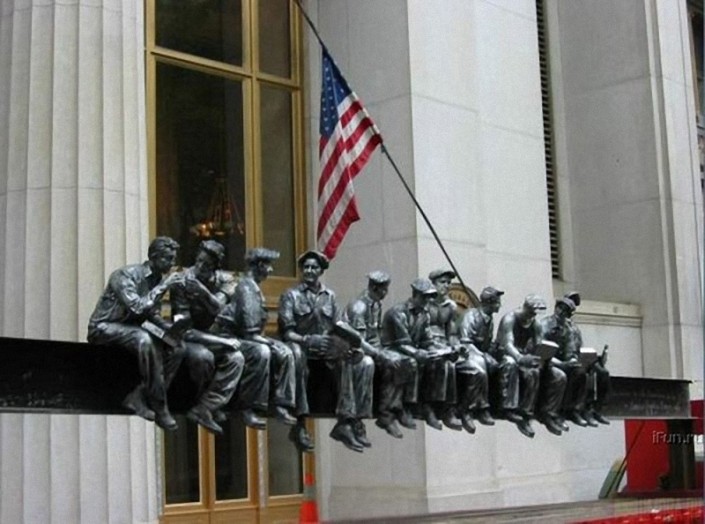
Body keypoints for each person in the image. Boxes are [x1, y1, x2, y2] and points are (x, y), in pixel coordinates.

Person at [279, 250, 374, 453]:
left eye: (314, 267)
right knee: (296, 357)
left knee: (350, 358)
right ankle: (299, 424)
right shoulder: (291, 295)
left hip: (326, 350)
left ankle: (347, 422)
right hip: (303, 347)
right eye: (306, 267)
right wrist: (307, 339)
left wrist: (348, 345)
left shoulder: (329, 296)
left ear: (321, 271)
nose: (309, 271)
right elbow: (287, 333)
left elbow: (338, 325)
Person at [87, 236, 184, 431]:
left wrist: (169, 330)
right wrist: (164, 286)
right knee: (144, 340)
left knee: (177, 346)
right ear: (154, 256)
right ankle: (160, 408)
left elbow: (151, 314)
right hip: (105, 327)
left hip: (134, 326)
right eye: (168, 258)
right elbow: (137, 307)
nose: (171, 263)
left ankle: (142, 394)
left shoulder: (157, 279)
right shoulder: (125, 275)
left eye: (173, 259)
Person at [213, 247, 297, 431]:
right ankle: (249, 406)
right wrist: (271, 343)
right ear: (259, 265)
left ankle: (282, 403)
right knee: (262, 352)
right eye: (268, 265)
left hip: (246, 336)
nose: (271, 270)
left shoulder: (253, 287)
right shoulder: (246, 288)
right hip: (231, 339)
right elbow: (250, 331)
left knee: (286, 353)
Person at [168, 240, 245, 435]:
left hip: (213, 335)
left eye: (207, 265)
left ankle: (207, 406)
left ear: (215, 267)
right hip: (189, 338)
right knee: (203, 357)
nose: (200, 267)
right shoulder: (181, 281)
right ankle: (197, 403)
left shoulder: (227, 280)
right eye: (198, 261)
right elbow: (185, 329)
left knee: (236, 358)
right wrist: (223, 342)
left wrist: (202, 291)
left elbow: (219, 308)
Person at [341, 271, 413, 440]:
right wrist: (381, 355)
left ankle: (393, 409)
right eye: (384, 289)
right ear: (375, 288)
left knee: (404, 361)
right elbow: (358, 340)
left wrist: (388, 351)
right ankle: (381, 414)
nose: (386, 293)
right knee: (383, 363)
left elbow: (375, 337)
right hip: (354, 352)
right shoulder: (359, 307)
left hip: (372, 347)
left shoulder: (376, 304)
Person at [380, 278, 447, 432]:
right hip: (392, 349)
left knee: (439, 362)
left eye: (429, 297)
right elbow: (401, 342)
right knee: (411, 363)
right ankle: (405, 407)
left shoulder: (424, 314)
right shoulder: (398, 312)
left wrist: (438, 351)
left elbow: (426, 340)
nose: (427, 300)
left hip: (411, 349)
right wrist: (418, 353)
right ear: (416, 295)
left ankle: (428, 405)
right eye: (425, 297)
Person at [494, 294, 548, 438]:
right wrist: (520, 358)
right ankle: (509, 407)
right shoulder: (510, 319)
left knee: (534, 372)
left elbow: (539, 344)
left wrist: (540, 356)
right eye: (531, 312)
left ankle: (526, 412)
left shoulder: (535, 324)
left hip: (523, 355)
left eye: (534, 314)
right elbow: (507, 344)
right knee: (510, 364)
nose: (533, 316)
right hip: (505, 354)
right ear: (526, 308)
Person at [457, 286, 504, 431]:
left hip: (479, 354)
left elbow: (486, 345)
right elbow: (465, 341)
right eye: (497, 302)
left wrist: (495, 350)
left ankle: (494, 406)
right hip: (466, 353)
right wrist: (483, 356)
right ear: (489, 302)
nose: (500, 305)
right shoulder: (471, 316)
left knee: (500, 366)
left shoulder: (489, 320)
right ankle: (467, 410)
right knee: (479, 371)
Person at [564, 291, 611, 426]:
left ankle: (597, 409)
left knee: (603, 373)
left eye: (574, 305)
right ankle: (579, 409)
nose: (573, 307)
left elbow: (579, 345)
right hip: (567, 360)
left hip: (580, 357)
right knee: (584, 375)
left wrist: (596, 358)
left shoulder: (574, 326)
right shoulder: (556, 324)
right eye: (570, 303)